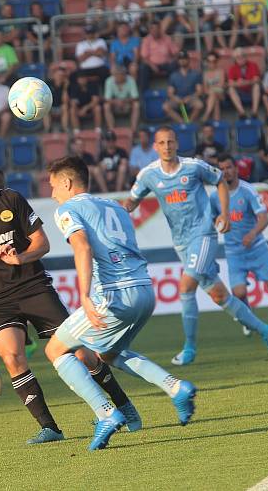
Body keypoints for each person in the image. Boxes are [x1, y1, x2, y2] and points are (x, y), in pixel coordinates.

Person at [0, 144, 134, 444]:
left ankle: (122, 405)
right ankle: (50, 428)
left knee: (81, 353)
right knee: (12, 355)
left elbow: (41, 244)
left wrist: (19, 257)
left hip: (34, 287)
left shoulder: (12, 199)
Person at [43, 156, 197, 451]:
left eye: (53, 186)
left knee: (56, 349)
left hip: (112, 296)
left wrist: (85, 296)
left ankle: (105, 413)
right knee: (109, 354)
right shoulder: (115, 206)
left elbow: (83, 246)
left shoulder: (67, 210)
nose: (52, 194)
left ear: (66, 182)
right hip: (144, 291)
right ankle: (176, 387)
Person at [125, 126, 268, 366]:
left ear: (177, 144)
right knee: (220, 296)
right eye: (162, 143)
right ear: (155, 147)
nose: (167, 147)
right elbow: (132, 202)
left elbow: (219, 180)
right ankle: (266, 329)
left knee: (185, 288)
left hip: (204, 235)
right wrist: (115, 216)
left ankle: (189, 349)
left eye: (170, 142)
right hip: (181, 242)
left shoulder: (193, 166)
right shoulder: (148, 175)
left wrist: (225, 214)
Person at [211, 155, 268, 339]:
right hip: (234, 252)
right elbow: (213, 220)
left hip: (256, 248)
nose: (225, 171)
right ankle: (250, 322)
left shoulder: (247, 191)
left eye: (228, 167)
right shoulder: (214, 196)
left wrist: (252, 234)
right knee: (239, 292)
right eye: (222, 168)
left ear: (235, 169)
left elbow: (264, 218)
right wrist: (217, 223)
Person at [163, 52, 204, 123]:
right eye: (180, 59)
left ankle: (189, 123)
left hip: (191, 99)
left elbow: (199, 91)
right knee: (165, 106)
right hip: (178, 100)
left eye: (184, 58)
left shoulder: (195, 74)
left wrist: (190, 97)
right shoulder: (174, 75)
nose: (182, 60)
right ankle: (182, 123)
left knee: (199, 105)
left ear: (188, 60)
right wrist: (175, 98)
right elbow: (170, 92)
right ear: (178, 61)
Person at [103, 65, 139, 134]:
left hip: (127, 104)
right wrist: (116, 102)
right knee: (106, 106)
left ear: (125, 75)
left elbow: (135, 97)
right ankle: (111, 130)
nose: (119, 77)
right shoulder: (109, 80)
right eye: (117, 75)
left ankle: (133, 129)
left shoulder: (130, 80)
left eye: (121, 75)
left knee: (136, 105)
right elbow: (107, 99)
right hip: (115, 105)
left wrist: (124, 101)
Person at [227, 49, 261, 119]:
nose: (240, 59)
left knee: (256, 86)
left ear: (245, 57)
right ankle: (242, 112)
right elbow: (230, 83)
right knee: (231, 89)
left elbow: (257, 79)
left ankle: (254, 111)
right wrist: (238, 83)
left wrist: (245, 82)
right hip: (240, 91)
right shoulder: (232, 68)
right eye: (238, 57)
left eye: (242, 56)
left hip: (251, 89)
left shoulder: (253, 65)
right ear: (235, 59)